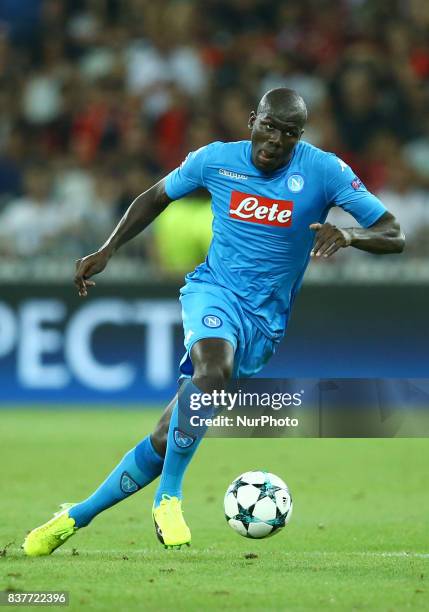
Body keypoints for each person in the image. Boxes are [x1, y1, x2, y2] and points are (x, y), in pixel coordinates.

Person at [23, 88, 404, 556]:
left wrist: (348, 233)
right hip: (213, 292)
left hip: (264, 324)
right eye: (268, 126)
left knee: (166, 437)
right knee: (213, 370)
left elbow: (393, 232)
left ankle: (74, 517)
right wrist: (108, 249)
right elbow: (155, 195)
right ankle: (169, 498)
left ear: (300, 136)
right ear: (252, 120)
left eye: (288, 133)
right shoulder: (215, 161)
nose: (275, 140)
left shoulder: (324, 170)